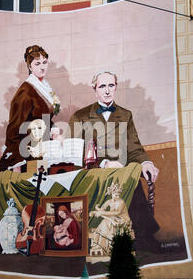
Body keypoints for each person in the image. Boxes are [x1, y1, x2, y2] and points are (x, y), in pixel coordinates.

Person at [68, 70, 163, 254]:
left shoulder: (125, 115)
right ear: (95, 89)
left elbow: (134, 147)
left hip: (120, 172)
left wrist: (145, 163)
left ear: (116, 88)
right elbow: (74, 151)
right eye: (102, 86)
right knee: (119, 176)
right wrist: (102, 164)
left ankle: (143, 237)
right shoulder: (80, 116)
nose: (107, 90)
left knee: (131, 175)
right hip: (91, 172)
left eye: (111, 85)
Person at [0, 45, 60, 251]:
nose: (42, 67)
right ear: (29, 66)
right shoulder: (25, 92)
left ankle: (39, 237)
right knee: (14, 194)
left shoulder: (44, 86)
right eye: (37, 63)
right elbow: (15, 128)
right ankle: (2, 240)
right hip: (22, 150)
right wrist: (17, 160)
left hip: (40, 148)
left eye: (45, 62)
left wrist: (53, 130)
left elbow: (44, 118)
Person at [89, 181, 131, 255]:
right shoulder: (109, 201)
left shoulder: (121, 202)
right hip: (112, 219)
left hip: (122, 220)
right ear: (111, 193)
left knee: (107, 222)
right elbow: (102, 210)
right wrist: (98, 210)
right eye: (115, 194)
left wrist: (100, 212)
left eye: (118, 195)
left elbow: (117, 213)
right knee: (106, 221)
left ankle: (107, 247)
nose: (117, 197)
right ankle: (100, 246)